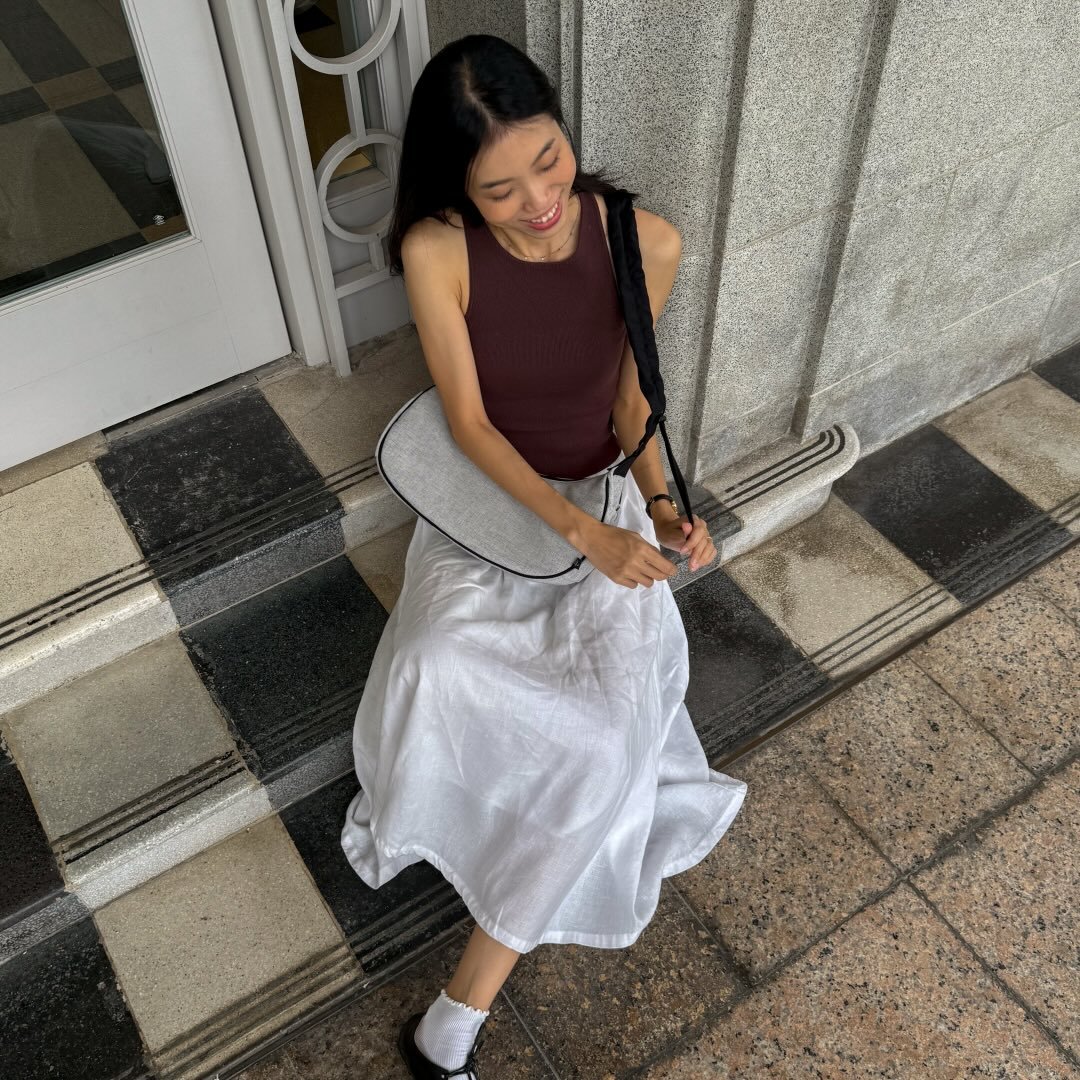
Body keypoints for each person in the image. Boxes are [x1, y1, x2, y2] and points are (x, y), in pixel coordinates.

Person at [339, 33, 748, 1080]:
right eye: (500, 188)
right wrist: (581, 536)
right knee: (435, 661)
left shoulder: (644, 241)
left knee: (605, 743)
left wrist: (663, 507)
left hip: (603, 497)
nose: (538, 201)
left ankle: (455, 1018)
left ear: (567, 132)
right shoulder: (437, 249)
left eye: (550, 161)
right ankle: (460, 826)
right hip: (488, 506)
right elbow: (470, 425)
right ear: (457, 187)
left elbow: (631, 404)